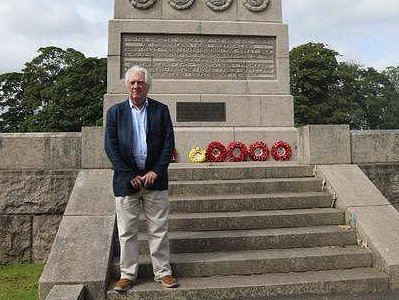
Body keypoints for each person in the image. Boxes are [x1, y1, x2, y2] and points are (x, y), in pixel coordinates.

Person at [104, 65, 178, 292]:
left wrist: (157, 169)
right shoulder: (115, 113)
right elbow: (111, 147)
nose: (136, 86)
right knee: (127, 232)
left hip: (155, 180)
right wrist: (129, 175)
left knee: (158, 230)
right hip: (127, 183)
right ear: (127, 85)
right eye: (133, 82)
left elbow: (168, 144)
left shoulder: (160, 110)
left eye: (141, 83)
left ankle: (163, 273)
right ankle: (127, 275)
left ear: (147, 86)